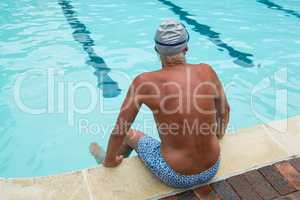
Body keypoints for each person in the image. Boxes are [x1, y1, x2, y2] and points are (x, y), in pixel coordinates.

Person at [89, 19, 230, 188]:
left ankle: (108, 161)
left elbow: (120, 129)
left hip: (176, 175)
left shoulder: (144, 82)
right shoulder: (207, 70)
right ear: (186, 48)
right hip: (212, 168)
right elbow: (225, 110)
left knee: (129, 134)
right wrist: (218, 135)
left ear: (157, 49)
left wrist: (110, 160)